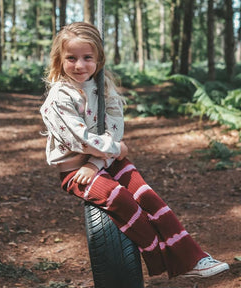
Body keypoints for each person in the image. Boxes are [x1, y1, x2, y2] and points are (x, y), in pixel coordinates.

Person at [40, 21, 229, 279]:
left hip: (102, 162)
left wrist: (97, 162)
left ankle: (192, 257)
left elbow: (115, 124)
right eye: (71, 58)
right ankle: (169, 259)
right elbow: (80, 140)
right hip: (75, 171)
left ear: (99, 58)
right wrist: (115, 149)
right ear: (59, 60)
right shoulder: (59, 97)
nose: (79, 65)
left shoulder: (103, 87)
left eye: (87, 57)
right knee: (121, 199)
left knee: (147, 196)